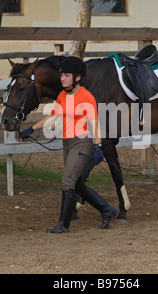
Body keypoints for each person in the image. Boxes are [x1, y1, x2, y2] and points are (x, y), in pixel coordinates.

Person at [19, 56, 117, 233]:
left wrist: (98, 146)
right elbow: (54, 116)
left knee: (67, 181)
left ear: (77, 77)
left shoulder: (86, 96)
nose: (62, 78)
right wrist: (31, 129)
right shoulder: (63, 96)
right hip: (68, 142)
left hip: (82, 142)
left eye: (66, 75)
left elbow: (95, 123)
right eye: (61, 75)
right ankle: (106, 209)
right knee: (77, 184)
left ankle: (63, 224)